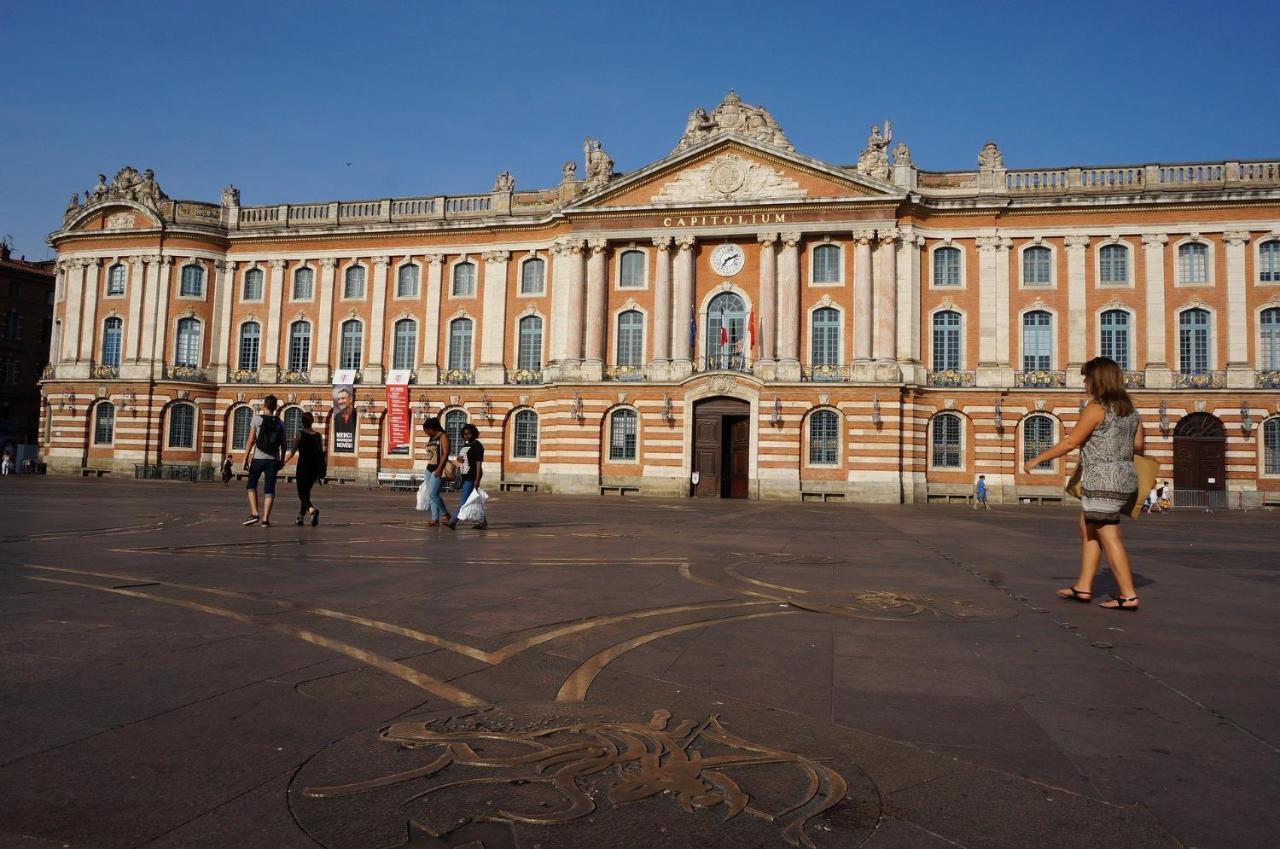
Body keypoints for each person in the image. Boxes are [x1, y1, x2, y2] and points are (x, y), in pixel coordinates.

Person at [1024, 357, 1143, 611]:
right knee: (1087, 526)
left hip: (1102, 479)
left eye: (1087, 378)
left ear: (1097, 380)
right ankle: (1084, 586)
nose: (1084, 382)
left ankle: (1128, 595)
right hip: (1124, 478)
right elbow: (1139, 446)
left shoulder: (1096, 408)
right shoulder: (1131, 411)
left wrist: (1037, 459)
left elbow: (1071, 442)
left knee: (1108, 535)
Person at [241, 394, 285, 527]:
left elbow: (251, 440)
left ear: (264, 406)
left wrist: (245, 457)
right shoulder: (281, 423)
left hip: (258, 458)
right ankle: (265, 519)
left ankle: (255, 513)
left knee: (251, 485)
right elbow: (284, 444)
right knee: (269, 489)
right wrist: (282, 460)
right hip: (273, 460)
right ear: (275, 407)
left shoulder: (257, 419)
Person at [283, 411, 325, 526]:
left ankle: (312, 510)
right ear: (312, 422)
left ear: (302, 422)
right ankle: (300, 517)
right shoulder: (318, 436)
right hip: (314, 468)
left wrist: (283, 462)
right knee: (306, 492)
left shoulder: (300, 434)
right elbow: (321, 453)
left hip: (303, 467)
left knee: (302, 493)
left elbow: (292, 452)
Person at [445, 423, 486, 531]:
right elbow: (462, 460)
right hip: (463, 476)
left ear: (474, 433)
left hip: (471, 477)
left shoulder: (477, 446)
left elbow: (478, 464)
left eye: (469, 434)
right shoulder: (465, 445)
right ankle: (483, 522)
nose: (466, 436)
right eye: (464, 434)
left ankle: (453, 521)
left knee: (463, 501)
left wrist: (477, 480)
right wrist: (458, 459)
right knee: (473, 499)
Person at [421, 417, 452, 527]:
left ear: (432, 428)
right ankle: (435, 519)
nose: (426, 433)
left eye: (426, 430)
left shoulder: (443, 436)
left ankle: (445, 513)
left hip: (438, 468)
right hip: (429, 469)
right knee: (431, 495)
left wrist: (439, 468)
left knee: (432, 493)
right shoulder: (431, 438)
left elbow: (445, 453)